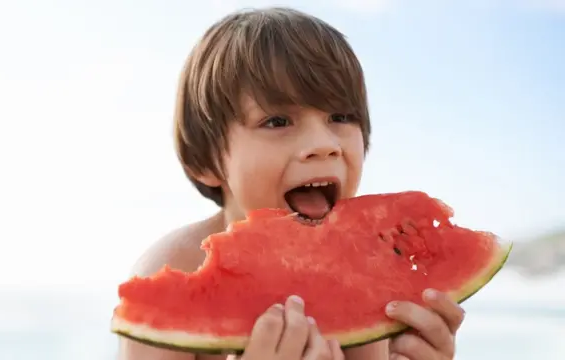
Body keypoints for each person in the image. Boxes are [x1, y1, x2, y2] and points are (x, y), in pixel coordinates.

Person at [118, 6, 465, 360]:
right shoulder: (171, 274)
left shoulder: (369, 278)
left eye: (342, 117)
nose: (324, 144)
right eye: (278, 121)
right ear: (204, 160)